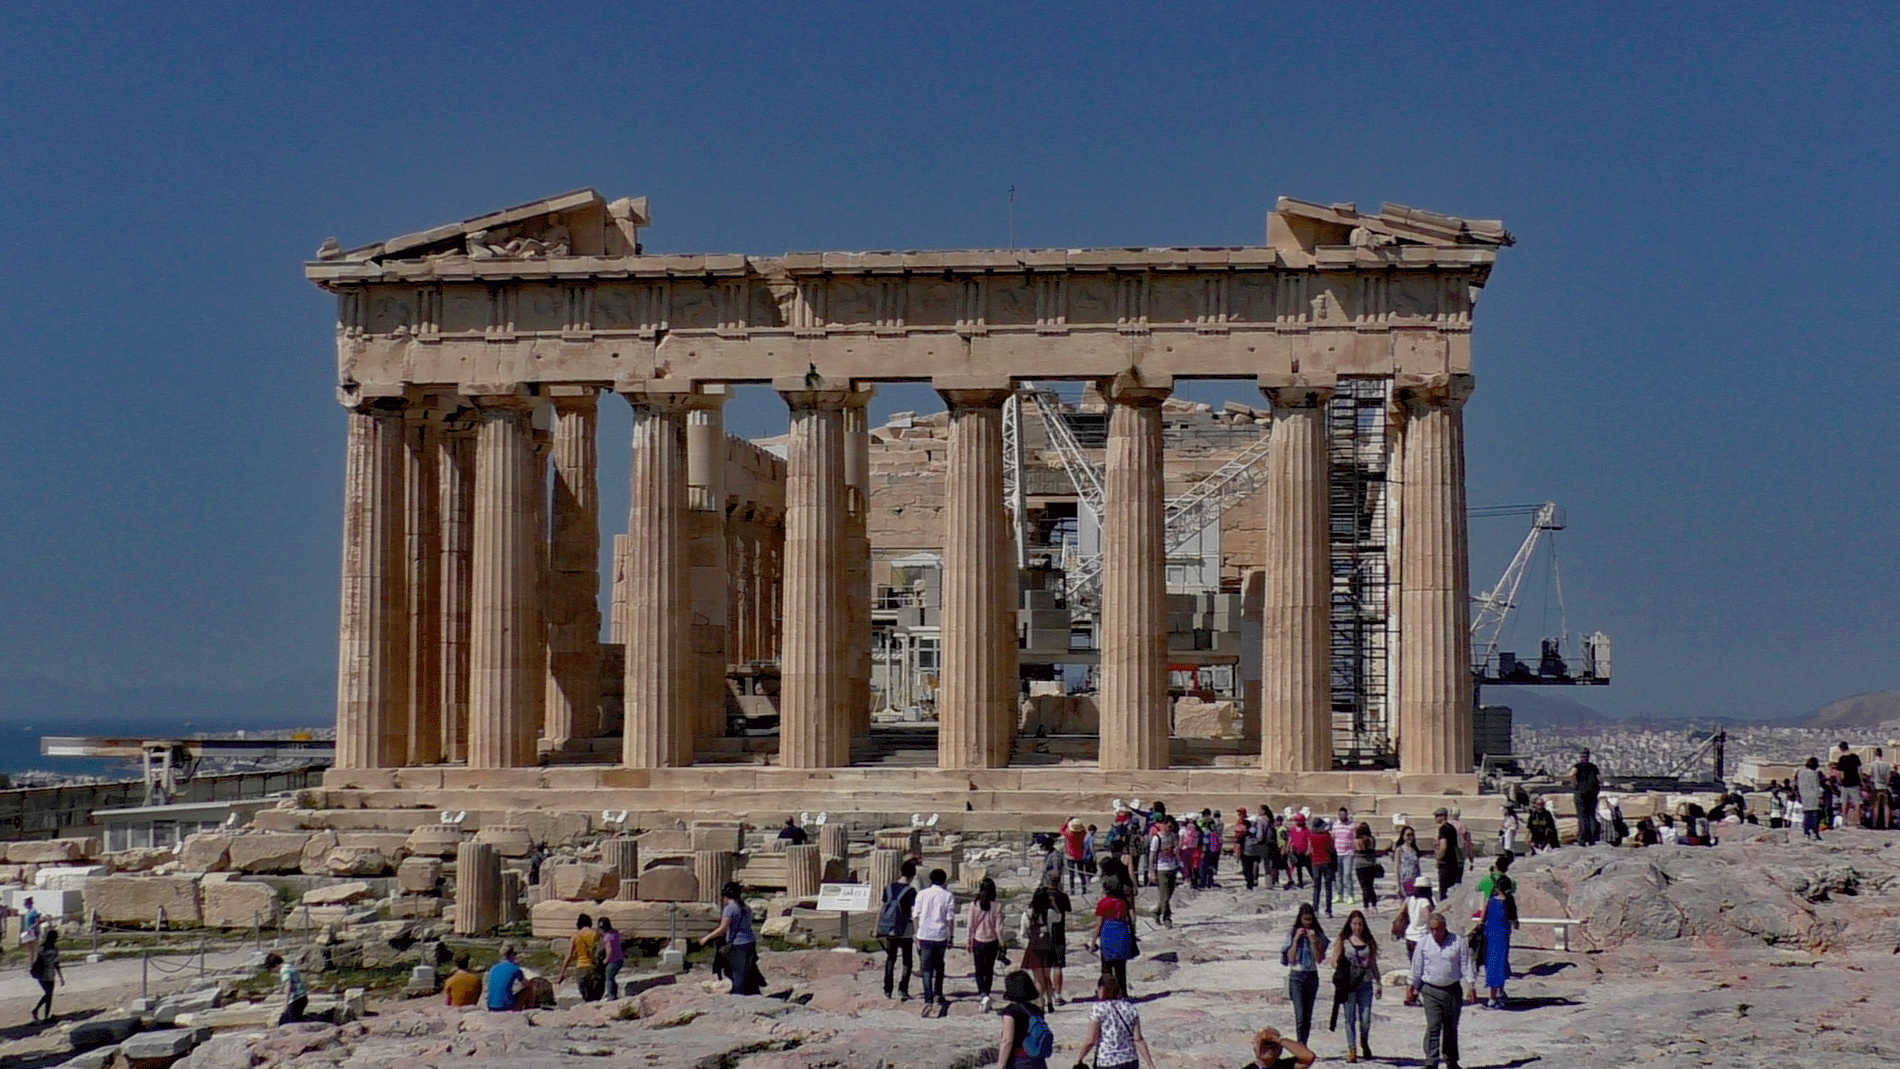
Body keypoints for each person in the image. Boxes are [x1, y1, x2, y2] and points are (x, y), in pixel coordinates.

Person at [1406, 911, 1478, 1069]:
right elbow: (1416, 967)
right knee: (1433, 1025)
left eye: (1438, 929)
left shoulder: (1457, 942)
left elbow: (1466, 965)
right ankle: (1431, 1061)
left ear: (1444, 927)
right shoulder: (1424, 943)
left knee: (1450, 1027)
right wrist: (1411, 987)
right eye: (1431, 929)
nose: (1435, 932)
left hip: (1452, 990)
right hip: (1430, 990)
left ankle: (1451, 1060)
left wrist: (1471, 986)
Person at [1327, 910, 1382, 1063]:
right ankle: (1352, 1049)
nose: (1357, 927)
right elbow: (1334, 961)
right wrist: (1342, 967)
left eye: (1360, 924)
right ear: (1350, 925)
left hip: (1365, 982)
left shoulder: (1368, 941)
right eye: (1354, 924)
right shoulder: (1343, 941)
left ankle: (1364, 1041)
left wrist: (1379, 982)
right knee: (1349, 1017)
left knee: (1365, 1017)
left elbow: (1372, 963)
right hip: (1349, 983)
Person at [1073, 971, 1155, 1069]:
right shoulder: (1130, 1007)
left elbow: (1090, 1040)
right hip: (1130, 1059)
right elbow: (1138, 1039)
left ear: (1102, 989)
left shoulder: (1098, 1009)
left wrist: (1079, 1058)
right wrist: (1150, 1064)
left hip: (1107, 1061)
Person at [1279, 903, 1329, 1046]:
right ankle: (1300, 1045)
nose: (1307, 923)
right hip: (1296, 977)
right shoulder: (1293, 933)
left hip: (1311, 976)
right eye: (1304, 920)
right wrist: (1296, 940)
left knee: (1307, 1016)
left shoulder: (1318, 934)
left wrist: (1313, 941)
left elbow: (1319, 959)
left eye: (1309, 920)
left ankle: (1303, 1044)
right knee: (1300, 1016)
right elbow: (1290, 959)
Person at [1020, 872, 1071, 1008]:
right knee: (1047, 976)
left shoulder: (1027, 913)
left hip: (1035, 944)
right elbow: (1059, 917)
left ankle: (1040, 1002)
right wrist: (1053, 905)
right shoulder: (1049, 913)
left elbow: (1023, 933)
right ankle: (1050, 1002)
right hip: (1048, 943)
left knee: (1038, 978)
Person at [699, 881, 759, 996]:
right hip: (750, 941)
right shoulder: (746, 907)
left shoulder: (730, 909)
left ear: (725, 896)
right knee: (747, 970)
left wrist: (706, 938)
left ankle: (739, 995)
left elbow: (722, 928)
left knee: (735, 972)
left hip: (738, 943)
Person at [913, 867, 957, 1017]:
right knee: (939, 966)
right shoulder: (948, 896)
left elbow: (915, 916)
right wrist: (951, 936)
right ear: (944, 880)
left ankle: (928, 998)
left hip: (924, 934)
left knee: (926, 969)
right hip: (940, 935)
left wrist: (916, 933)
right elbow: (950, 919)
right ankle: (938, 993)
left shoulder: (921, 894)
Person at [1477, 856, 1518, 1008]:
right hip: (1503, 934)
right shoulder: (1509, 901)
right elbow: (1514, 916)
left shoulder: (1491, 898)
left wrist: (1480, 924)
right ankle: (1500, 991)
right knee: (1501, 961)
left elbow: (1483, 914)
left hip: (1491, 933)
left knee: (1492, 963)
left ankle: (1493, 996)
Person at [1089, 873, 1137, 998]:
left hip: (1108, 936)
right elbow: (1130, 917)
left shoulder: (1103, 903)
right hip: (1122, 934)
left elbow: (1098, 924)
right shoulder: (1123, 902)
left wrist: (1093, 941)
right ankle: (1123, 994)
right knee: (1121, 969)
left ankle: (1106, 993)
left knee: (1106, 969)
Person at [877, 859, 918, 1001]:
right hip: (905, 929)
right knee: (907, 961)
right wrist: (917, 931)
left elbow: (881, 909)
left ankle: (887, 990)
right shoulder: (911, 891)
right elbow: (913, 913)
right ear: (912, 876)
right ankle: (902, 990)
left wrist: (877, 927)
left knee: (890, 959)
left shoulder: (888, 888)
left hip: (889, 928)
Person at [996, 970, 1053, 1069]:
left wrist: (1000, 1066)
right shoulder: (1036, 1010)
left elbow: (1007, 1041)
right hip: (1038, 1059)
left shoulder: (1010, 1012)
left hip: (1018, 1060)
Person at [967, 877, 1007, 1011]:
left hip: (978, 941)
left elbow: (970, 925)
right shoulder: (997, 906)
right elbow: (999, 928)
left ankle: (982, 994)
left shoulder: (974, 905)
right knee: (989, 970)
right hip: (992, 942)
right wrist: (1003, 944)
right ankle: (987, 994)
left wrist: (968, 941)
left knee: (979, 969)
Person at [557, 913, 603, 1001]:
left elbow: (569, 956)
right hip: (595, 968)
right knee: (597, 997)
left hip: (581, 968)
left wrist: (562, 973)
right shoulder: (595, 934)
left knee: (586, 997)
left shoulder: (575, 936)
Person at [1148, 817, 1181, 928]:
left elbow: (1176, 851)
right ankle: (1167, 918)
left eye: (1172, 827)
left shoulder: (1172, 836)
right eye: (1168, 826)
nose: (1170, 828)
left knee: (1168, 895)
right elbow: (1152, 856)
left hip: (1172, 867)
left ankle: (1156, 911)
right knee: (1164, 896)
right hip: (1161, 869)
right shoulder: (1157, 838)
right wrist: (1151, 872)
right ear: (1164, 825)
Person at [29, 926, 65, 1023]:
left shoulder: (42, 948)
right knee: (49, 994)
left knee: (48, 994)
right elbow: (56, 964)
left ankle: (44, 1014)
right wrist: (61, 977)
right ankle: (40, 1013)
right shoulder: (54, 950)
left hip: (44, 974)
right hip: (47, 973)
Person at [261, 950, 306, 1025]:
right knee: (291, 1019)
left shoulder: (284, 970)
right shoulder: (289, 966)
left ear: (275, 964)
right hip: (302, 997)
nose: (272, 971)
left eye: (271, 969)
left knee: (287, 1022)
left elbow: (288, 985)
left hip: (296, 999)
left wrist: (285, 1003)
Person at [1568, 748, 1603, 845]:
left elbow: (1571, 775)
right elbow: (1600, 780)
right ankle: (1592, 839)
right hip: (1592, 794)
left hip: (1581, 793)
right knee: (1591, 816)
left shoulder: (1578, 766)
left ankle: (1582, 839)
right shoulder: (1593, 767)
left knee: (1582, 817)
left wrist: (1575, 785)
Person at [1398, 872, 1435, 959]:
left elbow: (1399, 913)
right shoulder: (1424, 902)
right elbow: (1428, 919)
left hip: (1409, 935)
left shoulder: (1409, 899)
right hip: (1421, 937)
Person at [1241, 1026, 1317, 1069]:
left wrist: (1278, 1039)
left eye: (1273, 1044)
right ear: (1255, 1047)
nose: (1269, 1048)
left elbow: (1309, 1056)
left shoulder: (1285, 1066)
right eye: (1265, 1044)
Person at [1308, 818, 1337, 917]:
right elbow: (1331, 848)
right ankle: (1328, 910)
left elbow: (1311, 848)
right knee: (1328, 887)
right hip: (1326, 862)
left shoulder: (1312, 836)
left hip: (1315, 863)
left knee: (1317, 888)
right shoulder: (1326, 836)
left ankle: (1315, 909)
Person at [485, 945, 525, 1011]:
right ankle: (529, 1009)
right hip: (506, 1006)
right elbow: (526, 984)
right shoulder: (514, 968)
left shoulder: (493, 967)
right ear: (511, 955)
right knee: (529, 989)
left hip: (490, 1006)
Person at [1431, 808, 1463, 890]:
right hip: (1453, 862)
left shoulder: (1443, 829)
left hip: (1445, 863)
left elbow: (1444, 846)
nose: (1435, 818)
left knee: (1444, 891)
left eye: (1437, 816)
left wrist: (1438, 857)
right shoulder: (1451, 827)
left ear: (1442, 816)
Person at [1331, 808, 1359, 905]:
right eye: (1340, 814)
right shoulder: (1335, 825)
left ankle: (1350, 895)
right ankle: (1339, 894)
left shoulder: (1352, 825)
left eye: (1343, 814)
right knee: (1338, 875)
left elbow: (1355, 838)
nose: (1341, 816)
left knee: (1347, 874)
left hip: (1348, 853)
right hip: (1338, 853)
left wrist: (1354, 850)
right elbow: (1333, 838)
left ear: (1346, 814)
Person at [1833, 742, 1863, 828]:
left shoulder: (1842, 759)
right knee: (1857, 802)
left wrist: (1839, 781)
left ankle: (1845, 820)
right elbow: (1859, 769)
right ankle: (1858, 821)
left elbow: (1840, 773)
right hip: (1855, 781)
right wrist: (1861, 781)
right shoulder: (1855, 757)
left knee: (1844, 802)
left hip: (1845, 783)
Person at [1352, 823, 1381, 910]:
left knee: (1364, 887)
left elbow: (1356, 850)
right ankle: (1374, 905)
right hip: (1371, 865)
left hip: (1360, 866)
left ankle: (1366, 906)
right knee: (1370, 886)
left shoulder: (1356, 841)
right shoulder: (1372, 840)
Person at [1797, 757, 1825, 840]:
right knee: (1814, 815)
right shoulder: (1814, 774)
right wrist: (1821, 795)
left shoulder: (1800, 773)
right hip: (1813, 796)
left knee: (1806, 814)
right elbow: (1816, 786)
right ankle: (1815, 832)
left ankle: (1806, 832)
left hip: (1804, 796)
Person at [597, 916, 625, 999]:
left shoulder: (607, 937)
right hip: (620, 958)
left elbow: (609, 950)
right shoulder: (615, 932)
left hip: (613, 960)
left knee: (608, 977)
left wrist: (606, 960)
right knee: (612, 977)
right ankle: (614, 994)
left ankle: (611, 995)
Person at [1393, 824, 1421, 896]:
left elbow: (1418, 867)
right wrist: (1398, 885)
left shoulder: (1415, 850)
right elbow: (1397, 867)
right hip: (1404, 881)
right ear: (1403, 836)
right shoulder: (1400, 850)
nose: (1410, 837)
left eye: (1412, 835)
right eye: (1408, 835)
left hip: (1414, 881)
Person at [1873, 747, 1893, 831]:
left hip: (1876, 787)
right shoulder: (1887, 765)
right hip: (1885, 787)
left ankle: (1874, 824)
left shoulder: (1872, 764)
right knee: (1886, 806)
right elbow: (1889, 777)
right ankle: (1887, 825)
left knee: (1876, 806)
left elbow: (1869, 775)